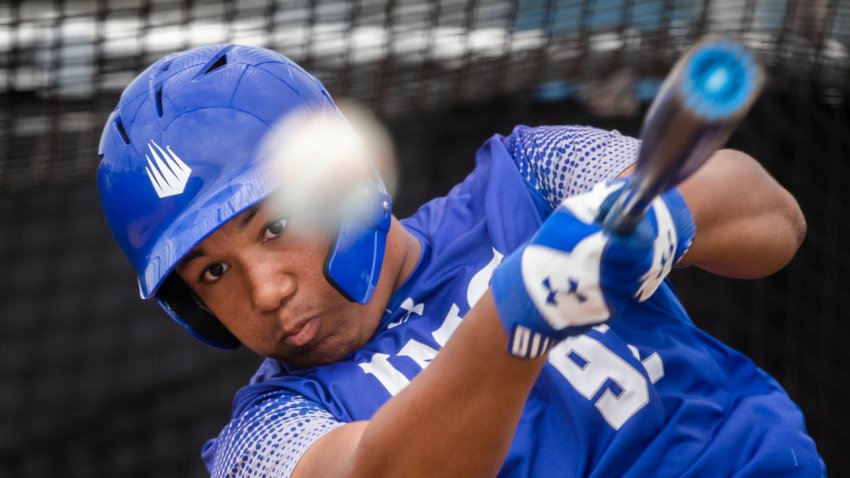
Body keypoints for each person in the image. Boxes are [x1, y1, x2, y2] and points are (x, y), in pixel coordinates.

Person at [97, 44, 824, 477]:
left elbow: (773, 219)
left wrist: (658, 218)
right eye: (210, 273)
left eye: (275, 225)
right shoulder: (262, 439)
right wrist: (512, 316)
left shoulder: (529, 175)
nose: (266, 289)